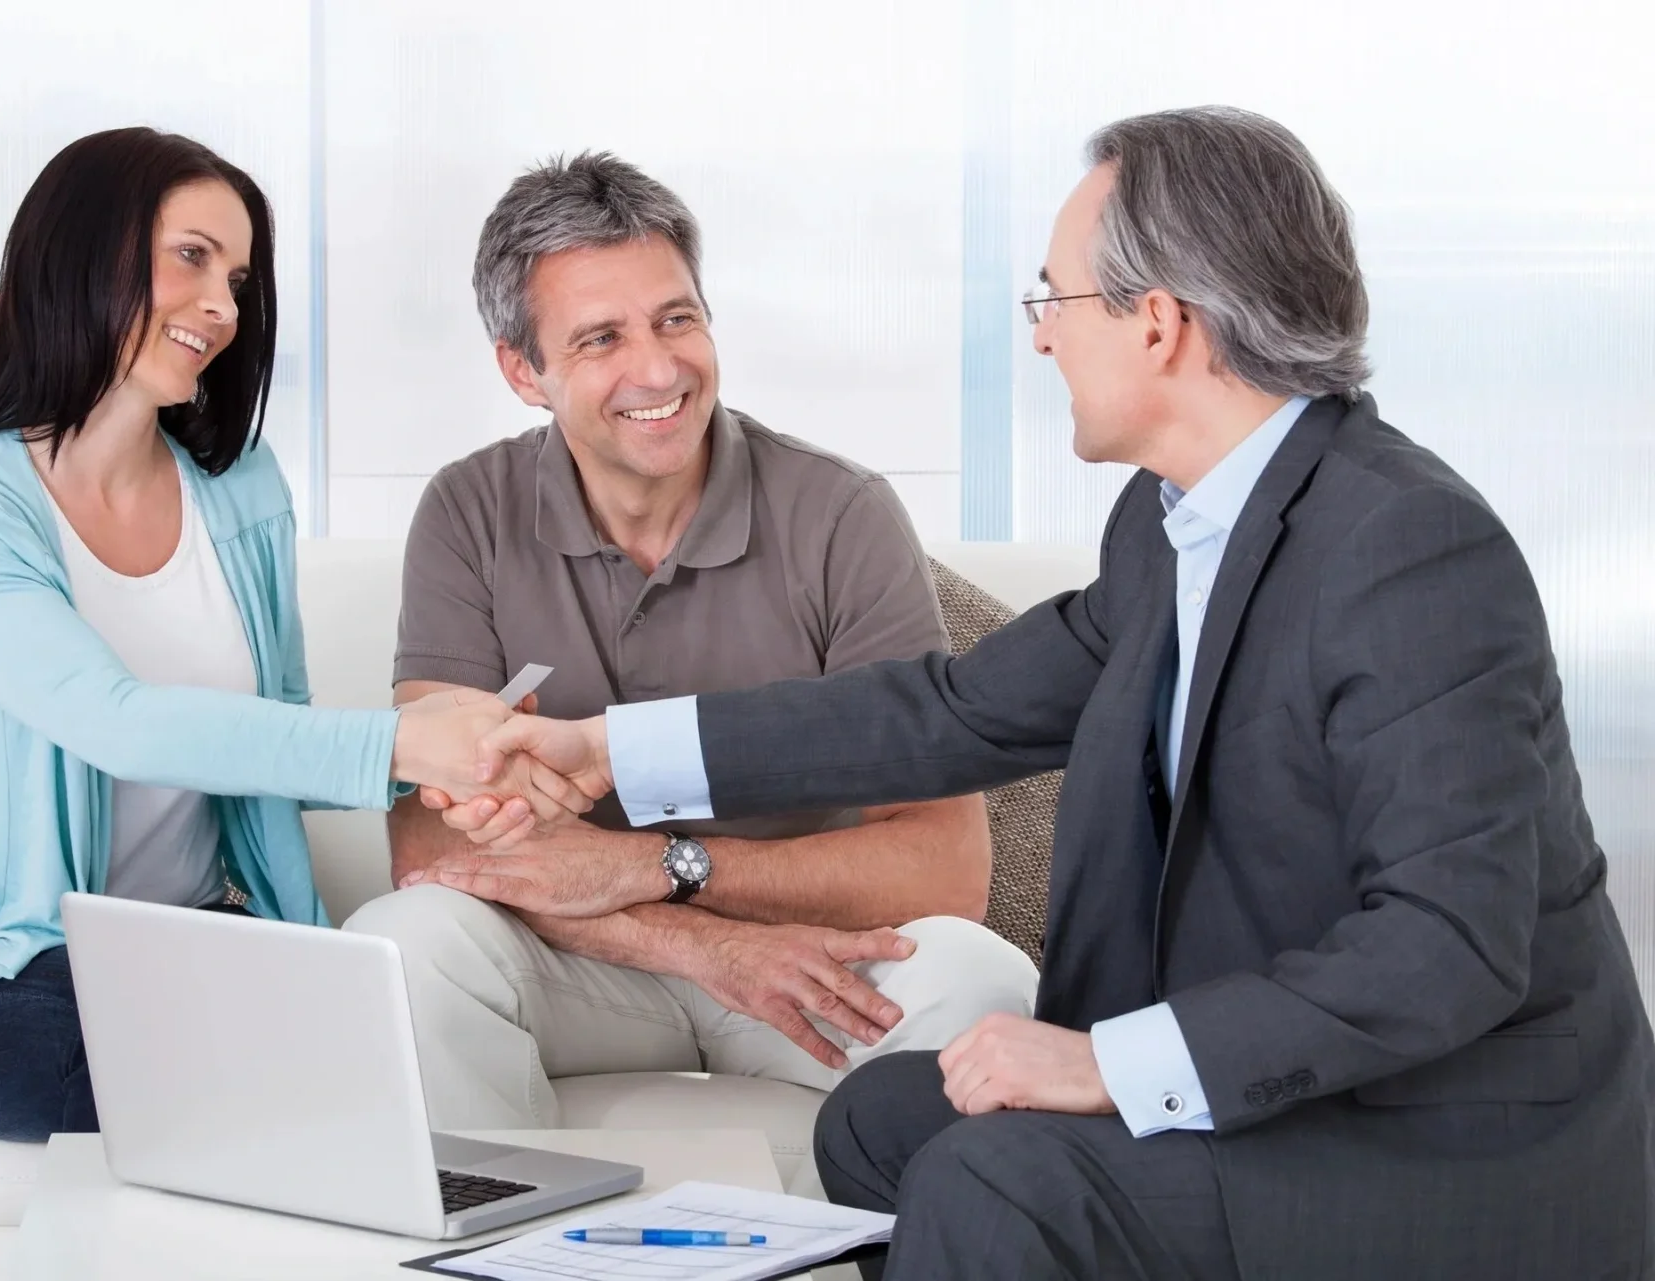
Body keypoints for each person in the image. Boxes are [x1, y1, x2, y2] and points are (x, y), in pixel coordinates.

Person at [457, 108, 1655, 1278]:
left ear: (1160, 324)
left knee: (996, 1175)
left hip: (1444, 1142)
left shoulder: (1406, 548)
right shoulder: (1174, 522)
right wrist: (608, 749)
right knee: (881, 1121)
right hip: (1312, 1096)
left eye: (1057, 299)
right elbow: (956, 710)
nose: (1040, 338)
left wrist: (1108, 1065)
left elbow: (1445, 949)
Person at [0, 127, 587, 1142]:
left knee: (389, 1033)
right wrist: (400, 744)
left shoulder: (238, 488)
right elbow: (111, 721)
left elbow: (268, 734)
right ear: (80, 251)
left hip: (191, 939)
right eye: (191, 257)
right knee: (135, 1069)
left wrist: (450, 765)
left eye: (237, 279)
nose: (222, 308)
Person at [339, 152, 1035, 1132]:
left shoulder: (843, 514)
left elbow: (945, 865)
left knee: (983, 979)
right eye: (600, 339)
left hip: (807, 959)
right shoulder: (469, 511)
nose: (658, 369)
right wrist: (695, 946)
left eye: (677, 318)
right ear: (521, 371)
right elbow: (428, 839)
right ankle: (498, 1243)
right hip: (587, 961)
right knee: (406, 942)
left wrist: (665, 870)